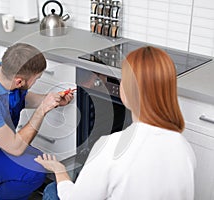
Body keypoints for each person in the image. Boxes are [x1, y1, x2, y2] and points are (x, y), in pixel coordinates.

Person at [35, 46, 196, 200]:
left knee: (51, 190)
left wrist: (59, 169)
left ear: (128, 90)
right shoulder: (184, 147)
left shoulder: (111, 147)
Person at [0, 43, 74, 200]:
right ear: (19, 82)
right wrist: (42, 110)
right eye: (36, 79)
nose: (36, 82)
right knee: (35, 171)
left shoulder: (5, 77)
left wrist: (53, 100)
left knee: (42, 160)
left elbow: (24, 100)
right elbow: (15, 148)